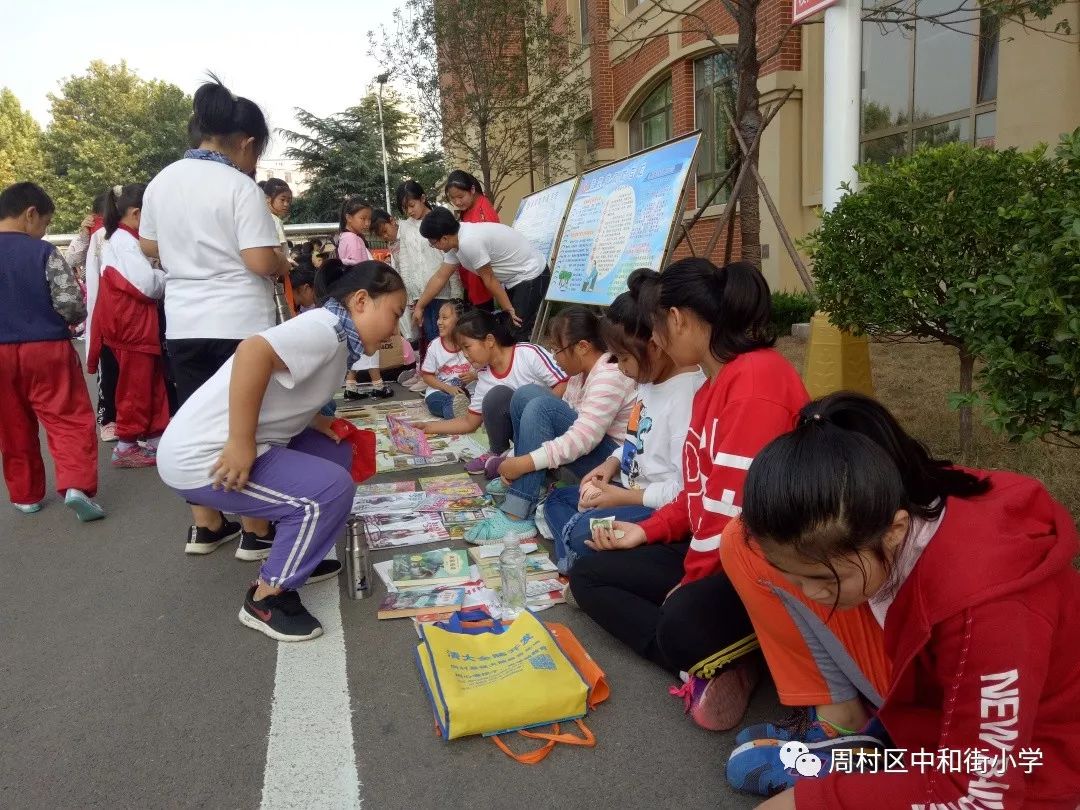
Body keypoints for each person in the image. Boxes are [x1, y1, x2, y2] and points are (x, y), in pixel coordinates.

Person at [724, 393, 1080, 809]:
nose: (810, 593)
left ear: (893, 530)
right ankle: (879, 757)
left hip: (1040, 771)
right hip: (947, 736)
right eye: (794, 577)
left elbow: (983, 797)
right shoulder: (903, 499)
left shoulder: (985, 614)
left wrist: (814, 802)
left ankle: (874, 761)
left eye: (822, 578)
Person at [569, 259, 809, 732]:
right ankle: (709, 663)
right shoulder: (713, 388)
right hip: (719, 550)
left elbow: (729, 516)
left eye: (656, 328)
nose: (653, 341)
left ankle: (734, 649)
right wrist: (642, 532)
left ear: (676, 318)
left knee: (682, 615)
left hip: (765, 565)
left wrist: (692, 580)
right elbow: (698, 497)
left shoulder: (756, 383)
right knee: (589, 573)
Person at [156, 260, 407, 641]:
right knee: (329, 491)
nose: (396, 329)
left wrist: (317, 422)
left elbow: (283, 390)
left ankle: (299, 555)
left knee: (335, 450)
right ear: (360, 301)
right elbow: (253, 353)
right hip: (203, 458)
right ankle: (267, 596)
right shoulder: (325, 329)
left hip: (236, 444)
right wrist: (240, 441)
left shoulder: (337, 337)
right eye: (395, 314)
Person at [140, 76, 288, 557]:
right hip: (240, 323)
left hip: (184, 322)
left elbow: (148, 245)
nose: (255, 163)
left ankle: (204, 525)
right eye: (256, 153)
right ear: (244, 143)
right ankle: (255, 528)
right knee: (248, 425)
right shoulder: (238, 187)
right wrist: (283, 261)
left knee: (194, 424)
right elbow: (261, 262)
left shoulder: (162, 181)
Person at [542, 276, 706, 572]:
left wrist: (622, 498)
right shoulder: (648, 381)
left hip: (655, 506)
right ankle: (581, 561)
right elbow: (635, 439)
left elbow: (684, 492)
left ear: (655, 345)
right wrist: (610, 464)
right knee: (556, 501)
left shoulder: (686, 396)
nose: (620, 368)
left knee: (581, 530)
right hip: (628, 488)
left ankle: (580, 561)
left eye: (623, 357)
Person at [468, 307, 638, 544]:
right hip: (592, 453)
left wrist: (523, 463)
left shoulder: (609, 375)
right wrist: (517, 461)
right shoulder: (580, 375)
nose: (555, 357)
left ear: (582, 347)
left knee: (542, 408)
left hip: (613, 465)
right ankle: (531, 487)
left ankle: (517, 512)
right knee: (526, 394)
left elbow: (582, 438)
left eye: (557, 350)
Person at [0, 182, 103, 521]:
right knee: (68, 418)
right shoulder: (43, 252)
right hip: (46, 347)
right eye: (44, 223)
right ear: (31, 214)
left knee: (12, 425)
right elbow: (71, 303)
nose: (43, 231)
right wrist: (72, 321)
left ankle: (26, 495)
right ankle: (76, 485)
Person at [419, 308, 567, 508]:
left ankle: (521, 467)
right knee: (496, 397)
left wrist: (538, 412)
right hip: (523, 436)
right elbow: (470, 422)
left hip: (551, 431)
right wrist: (428, 428)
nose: (465, 355)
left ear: (489, 340)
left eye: (467, 347)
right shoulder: (485, 374)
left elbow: (563, 382)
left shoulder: (527, 354)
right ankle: (500, 453)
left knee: (524, 395)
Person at [88, 183, 169, 469]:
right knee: (136, 387)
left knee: (149, 383)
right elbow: (147, 285)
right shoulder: (124, 242)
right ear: (137, 214)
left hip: (131, 327)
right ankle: (126, 446)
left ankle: (157, 437)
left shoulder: (118, 239)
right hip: (132, 328)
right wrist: (164, 276)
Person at [416, 208, 550, 341]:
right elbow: (440, 277)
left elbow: (489, 279)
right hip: (515, 279)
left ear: (444, 238)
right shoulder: (455, 240)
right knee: (507, 330)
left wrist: (508, 309)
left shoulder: (469, 241)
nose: (432, 246)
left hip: (531, 273)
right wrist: (420, 306)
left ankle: (524, 360)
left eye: (432, 243)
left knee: (515, 330)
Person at [338, 196, 393, 400]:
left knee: (357, 342)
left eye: (368, 219)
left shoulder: (346, 238)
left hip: (354, 298)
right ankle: (377, 384)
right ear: (348, 218)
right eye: (363, 218)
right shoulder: (353, 240)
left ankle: (351, 384)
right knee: (369, 341)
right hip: (362, 298)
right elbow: (359, 270)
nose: (367, 223)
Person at [79, 191, 119, 442]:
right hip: (107, 312)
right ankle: (108, 417)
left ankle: (131, 419)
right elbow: (77, 262)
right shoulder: (98, 237)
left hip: (134, 315)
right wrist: (83, 235)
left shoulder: (142, 236)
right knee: (110, 367)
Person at [443, 170, 497, 308]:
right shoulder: (468, 209)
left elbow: (486, 253)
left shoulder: (483, 212)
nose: (457, 202)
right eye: (453, 198)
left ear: (472, 189)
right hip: (472, 280)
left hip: (482, 282)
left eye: (460, 196)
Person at [419, 299, 475, 419]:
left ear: (459, 321)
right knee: (436, 402)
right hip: (440, 391)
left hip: (469, 393)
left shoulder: (472, 343)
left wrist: (475, 375)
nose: (439, 322)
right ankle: (457, 412)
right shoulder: (435, 346)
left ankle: (469, 410)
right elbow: (427, 376)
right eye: (438, 317)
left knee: (486, 397)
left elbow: (486, 366)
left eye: (444, 318)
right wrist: (448, 388)